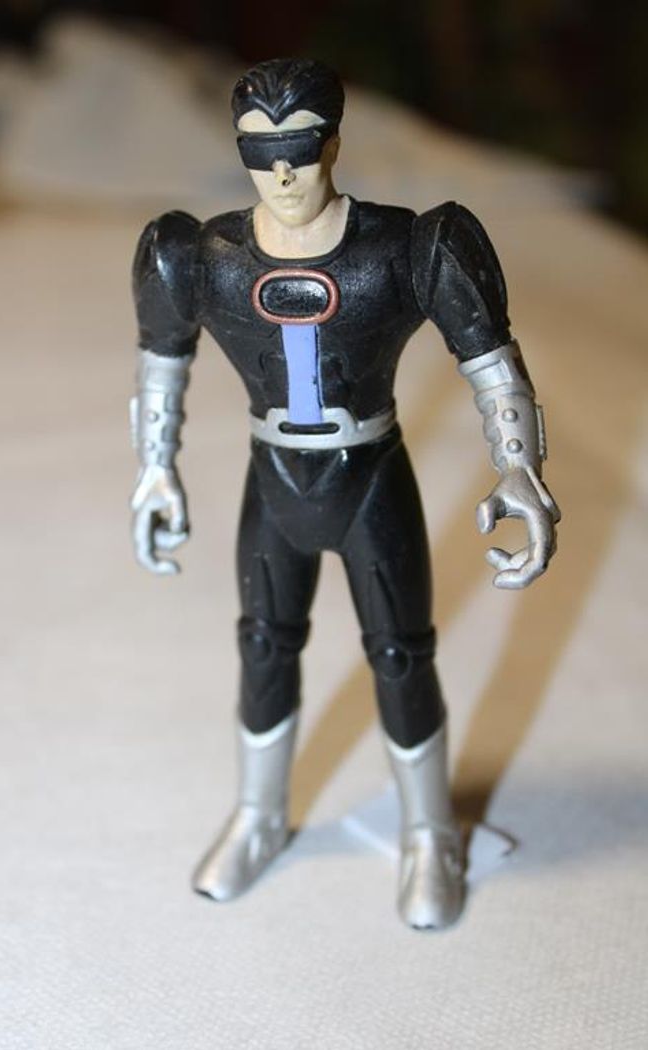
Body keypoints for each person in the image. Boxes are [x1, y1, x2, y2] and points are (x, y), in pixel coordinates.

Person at [129, 58, 560, 929]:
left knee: (400, 654)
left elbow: (489, 361)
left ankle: (429, 831)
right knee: (263, 646)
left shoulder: (405, 250)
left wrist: (518, 465)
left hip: (370, 477)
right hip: (274, 479)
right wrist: (155, 466)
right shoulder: (202, 258)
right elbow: (161, 362)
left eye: (299, 147)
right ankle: (259, 814)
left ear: (332, 142)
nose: (283, 173)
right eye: (261, 153)